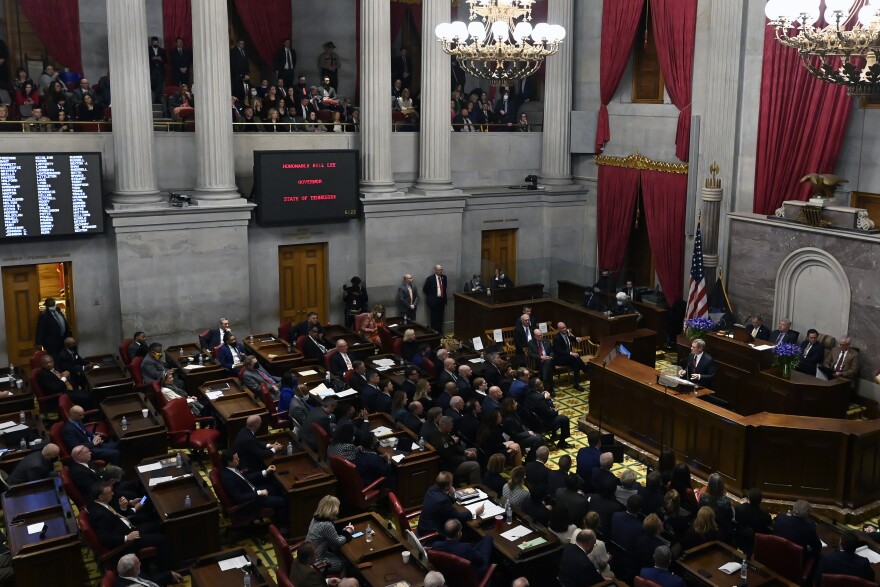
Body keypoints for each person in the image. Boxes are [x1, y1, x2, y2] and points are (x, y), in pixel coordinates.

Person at [87, 482, 173, 571]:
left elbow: (117, 517)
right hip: (129, 542)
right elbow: (104, 538)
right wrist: (127, 538)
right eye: (110, 492)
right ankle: (166, 571)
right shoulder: (99, 515)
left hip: (130, 528)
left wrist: (126, 505)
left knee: (157, 525)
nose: (113, 493)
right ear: (101, 497)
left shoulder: (101, 503)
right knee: (163, 540)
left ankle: (155, 560)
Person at [219, 450, 287, 531]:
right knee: (282, 501)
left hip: (252, 492)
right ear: (229, 462)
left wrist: (265, 472)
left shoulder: (231, 469)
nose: (239, 459)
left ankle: (277, 520)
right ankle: (280, 529)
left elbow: (245, 478)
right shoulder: (228, 478)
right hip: (250, 503)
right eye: (236, 459)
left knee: (276, 488)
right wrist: (259, 493)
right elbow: (238, 498)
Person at [417, 471, 483, 537]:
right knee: (465, 530)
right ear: (446, 487)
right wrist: (475, 512)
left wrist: (452, 494)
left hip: (422, 527)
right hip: (432, 534)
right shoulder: (442, 500)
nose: (452, 484)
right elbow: (458, 516)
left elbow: (444, 505)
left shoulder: (431, 489)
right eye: (451, 483)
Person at [306, 495, 353, 573]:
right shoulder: (326, 525)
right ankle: (340, 582)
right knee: (346, 561)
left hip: (309, 555)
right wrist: (348, 532)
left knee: (338, 553)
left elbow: (329, 536)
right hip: (317, 562)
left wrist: (344, 531)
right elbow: (337, 542)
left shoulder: (315, 517)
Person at [525, 378, 571, 448]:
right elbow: (550, 414)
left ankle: (554, 435)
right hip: (543, 423)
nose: (542, 384)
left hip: (533, 421)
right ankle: (562, 442)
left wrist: (543, 396)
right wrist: (551, 403)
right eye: (540, 384)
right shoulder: (539, 398)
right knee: (564, 419)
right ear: (535, 387)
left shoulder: (528, 393)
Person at [117, 553, 183, 587]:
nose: (140, 564)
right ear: (130, 570)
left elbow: (151, 581)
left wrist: (170, 574)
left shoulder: (132, 573)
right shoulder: (125, 585)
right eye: (138, 564)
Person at [528, 330, 555, 395]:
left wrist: (550, 356)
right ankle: (550, 389)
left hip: (549, 361)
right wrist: (541, 357)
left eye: (541, 335)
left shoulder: (547, 341)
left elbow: (552, 351)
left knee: (548, 363)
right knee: (548, 367)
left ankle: (545, 381)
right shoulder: (531, 343)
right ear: (534, 336)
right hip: (539, 363)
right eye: (538, 336)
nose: (541, 336)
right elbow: (531, 354)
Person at [423, 264, 448, 333]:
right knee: (434, 318)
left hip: (442, 300)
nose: (441, 271)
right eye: (439, 270)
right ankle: (434, 333)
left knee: (441, 318)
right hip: (434, 301)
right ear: (436, 270)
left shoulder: (444, 277)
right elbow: (425, 289)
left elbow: (445, 287)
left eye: (441, 269)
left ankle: (440, 333)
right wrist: (432, 297)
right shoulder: (430, 279)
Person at [148, 36, 166, 104]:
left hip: (160, 70)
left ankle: (157, 101)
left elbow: (166, 61)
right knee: (153, 85)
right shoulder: (148, 49)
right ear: (152, 42)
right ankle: (154, 98)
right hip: (151, 70)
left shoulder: (162, 50)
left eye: (156, 42)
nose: (155, 43)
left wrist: (160, 59)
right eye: (154, 42)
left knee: (160, 85)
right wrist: (152, 59)